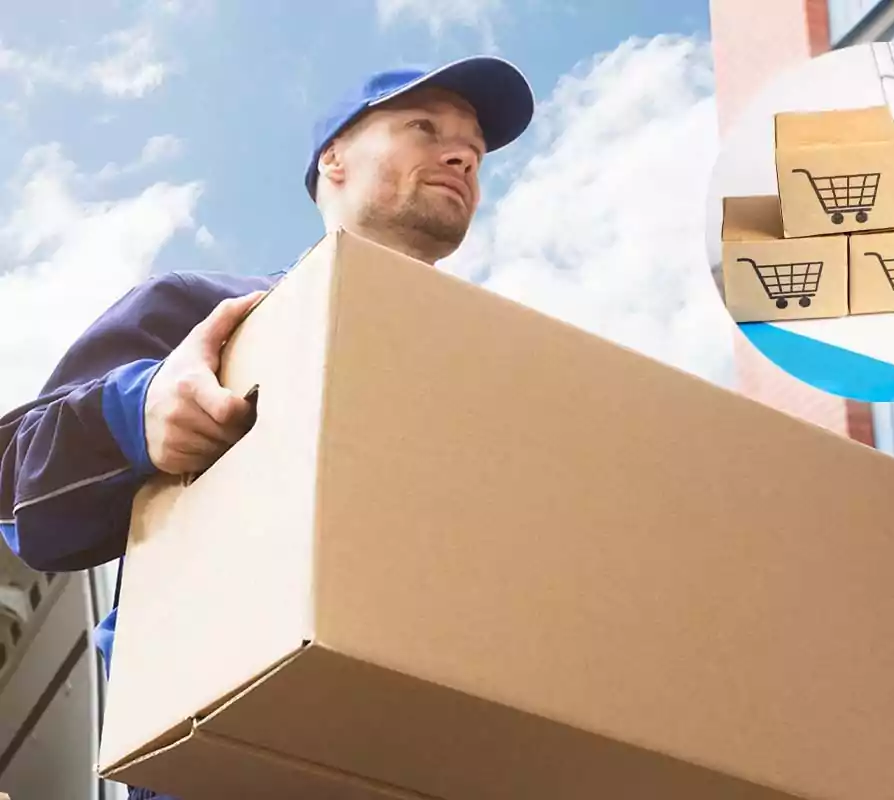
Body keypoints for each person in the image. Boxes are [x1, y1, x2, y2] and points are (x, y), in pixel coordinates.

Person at [0, 55, 535, 800]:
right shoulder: (204, 312)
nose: (460, 157)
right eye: (425, 127)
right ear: (334, 160)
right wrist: (139, 411)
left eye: (473, 152)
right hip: (231, 757)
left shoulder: (507, 384)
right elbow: (19, 500)